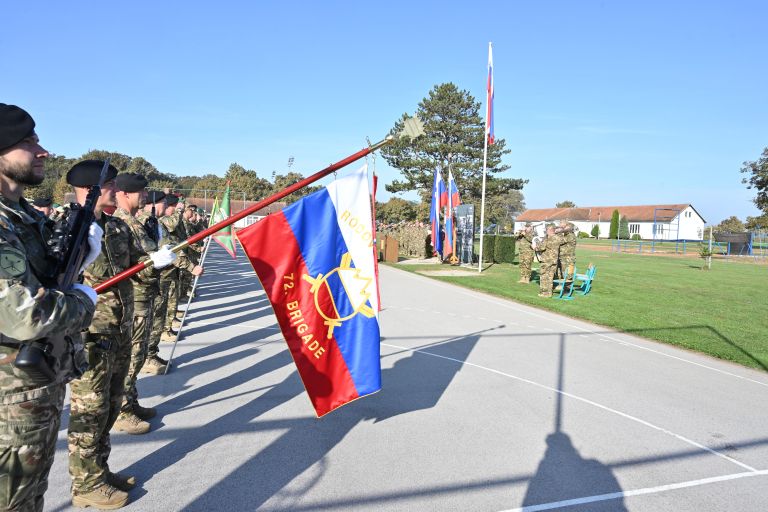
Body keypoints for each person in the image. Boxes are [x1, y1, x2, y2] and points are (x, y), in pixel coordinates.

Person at [0, 104, 98, 511]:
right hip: (9, 401)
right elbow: (23, 315)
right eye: (27, 142)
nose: (42, 151)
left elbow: (43, 280)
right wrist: (82, 300)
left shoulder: (21, 215)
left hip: (35, 387)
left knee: (30, 495)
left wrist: (78, 262)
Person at [65, 160, 167, 509]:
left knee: (109, 407)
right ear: (90, 189)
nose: (116, 189)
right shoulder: (66, 228)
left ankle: (99, 470)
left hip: (119, 329)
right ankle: (85, 483)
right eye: (110, 184)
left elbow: (139, 266)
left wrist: (160, 261)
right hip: (88, 333)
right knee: (88, 412)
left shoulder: (115, 229)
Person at [111, 174, 176, 435]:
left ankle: (131, 401)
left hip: (144, 294)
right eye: (141, 192)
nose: (145, 196)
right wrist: (154, 262)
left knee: (136, 354)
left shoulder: (136, 221)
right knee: (132, 354)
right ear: (126, 194)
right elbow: (128, 266)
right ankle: (122, 411)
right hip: (134, 298)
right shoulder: (122, 222)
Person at [536, 224, 563, 298]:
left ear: (549, 230)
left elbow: (541, 247)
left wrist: (535, 246)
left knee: (544, 276)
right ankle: (549, 293)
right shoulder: (558, 238)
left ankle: (544, 293)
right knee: (550, 277)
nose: (545, 231)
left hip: (546, 260)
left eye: (546, 230)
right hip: (554, 260)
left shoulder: (548, 238)